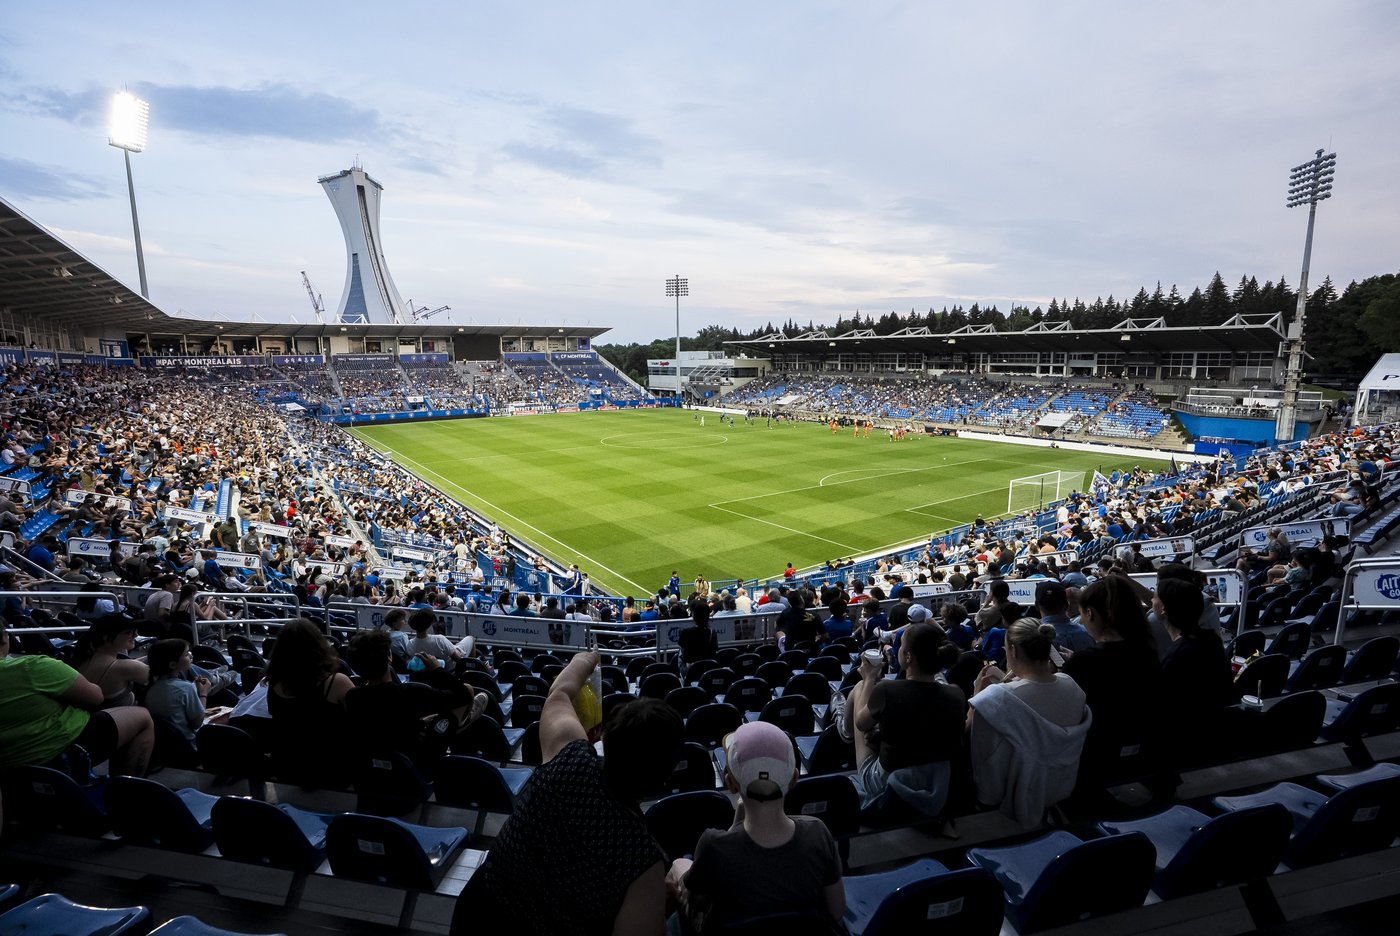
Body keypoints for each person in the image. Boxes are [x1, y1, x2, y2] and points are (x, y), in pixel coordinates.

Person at [452, 652, 684, 936]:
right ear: (666, 777)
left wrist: (587, 659)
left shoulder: (568, 758)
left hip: (477, 914)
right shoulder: (643, 863)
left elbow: (560, 692)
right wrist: (669, 898)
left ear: (605, 740)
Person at [668, 721, 845, 933]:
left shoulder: (714, 845)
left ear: (731, 783)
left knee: (679, 865)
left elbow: (698, 901)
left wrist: (735, 829)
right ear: (794, 779)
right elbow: (836, 911)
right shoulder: (818, 833)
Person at [967, 618, 1091, 826]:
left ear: (1013, 651)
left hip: (1010, 800)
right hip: (1062, 787)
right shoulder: (1072, 686)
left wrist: (976, 701)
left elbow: (984, 763)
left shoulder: (992, 700)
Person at [0, 621, 154, 775]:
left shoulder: (83, 660)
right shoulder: (32, 667)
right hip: (55, 751)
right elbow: (95, 698)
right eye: (129, 632)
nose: (134, 635)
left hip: (8, 761)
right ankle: (125, 791)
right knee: (143, 716)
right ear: (5, 637)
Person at [846, 623, 965, 818]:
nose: (897, 648)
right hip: (934, 780)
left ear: (908, 656)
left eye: (900, 645)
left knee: (859, 690)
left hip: (885, 781)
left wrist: (869, 678)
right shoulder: (956, 693)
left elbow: (861, 723)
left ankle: (845, 734)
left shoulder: (886, 690)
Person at [1061, 576, 1162, 802]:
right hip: (1145, 757)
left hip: (1095, 764)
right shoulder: (1147, 652)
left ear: (1090, 614)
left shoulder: (1083, 664)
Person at [143, 638, 212, 743]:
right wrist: (203, 693)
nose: (190, 656)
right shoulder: (186, 688)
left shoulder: (151, 688)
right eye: (186, 654)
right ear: (173, 665)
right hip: (189, 744)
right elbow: (197, 723)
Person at [73, 616, 148, 709]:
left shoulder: (87, 657)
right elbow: (158, 673)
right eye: (128, 632)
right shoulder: (126, 668)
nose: (135, 635)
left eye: (135, 631)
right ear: (107, 638)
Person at [677, 601, 719, 668]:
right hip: (707, 667)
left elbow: (682, 649)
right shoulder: (712, 632)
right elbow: (714, 650)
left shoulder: (686, 632)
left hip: (691, 668)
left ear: (694, 616)